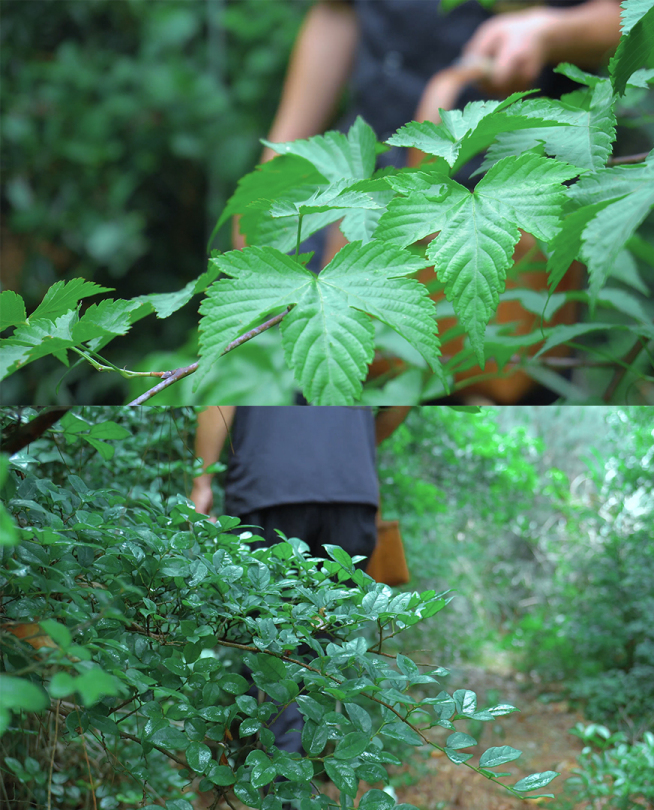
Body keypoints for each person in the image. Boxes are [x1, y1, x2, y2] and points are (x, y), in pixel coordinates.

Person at [236, 0, 624, 403]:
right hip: (355, 193)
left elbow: (632, 15)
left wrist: (548, 31)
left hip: (508, 213)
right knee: (314, 386)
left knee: (503, 386)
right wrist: (276, 164)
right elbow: (337, 10)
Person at [190, 405, 411, 755]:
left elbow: (223, 398)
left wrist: (201, 481)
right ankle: (305, 766)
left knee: (273, 644)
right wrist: (355, 445)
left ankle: (284, 779)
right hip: (351, 491)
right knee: (320, 639)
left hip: (270, 483)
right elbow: (403, 396)